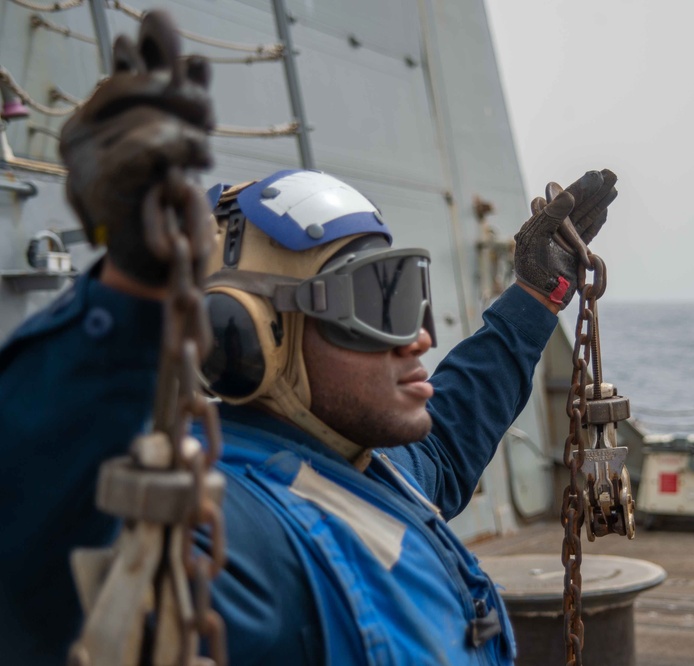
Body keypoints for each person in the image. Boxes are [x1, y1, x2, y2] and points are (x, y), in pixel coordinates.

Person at [0, 11, 619, 666]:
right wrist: (125, 298)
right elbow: (50, 552)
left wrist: (533, 297)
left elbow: (448, 437)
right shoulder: (231, 528)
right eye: (376, 301)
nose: (417, 338)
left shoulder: (365, 463)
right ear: (242, 334)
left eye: (407, 292)